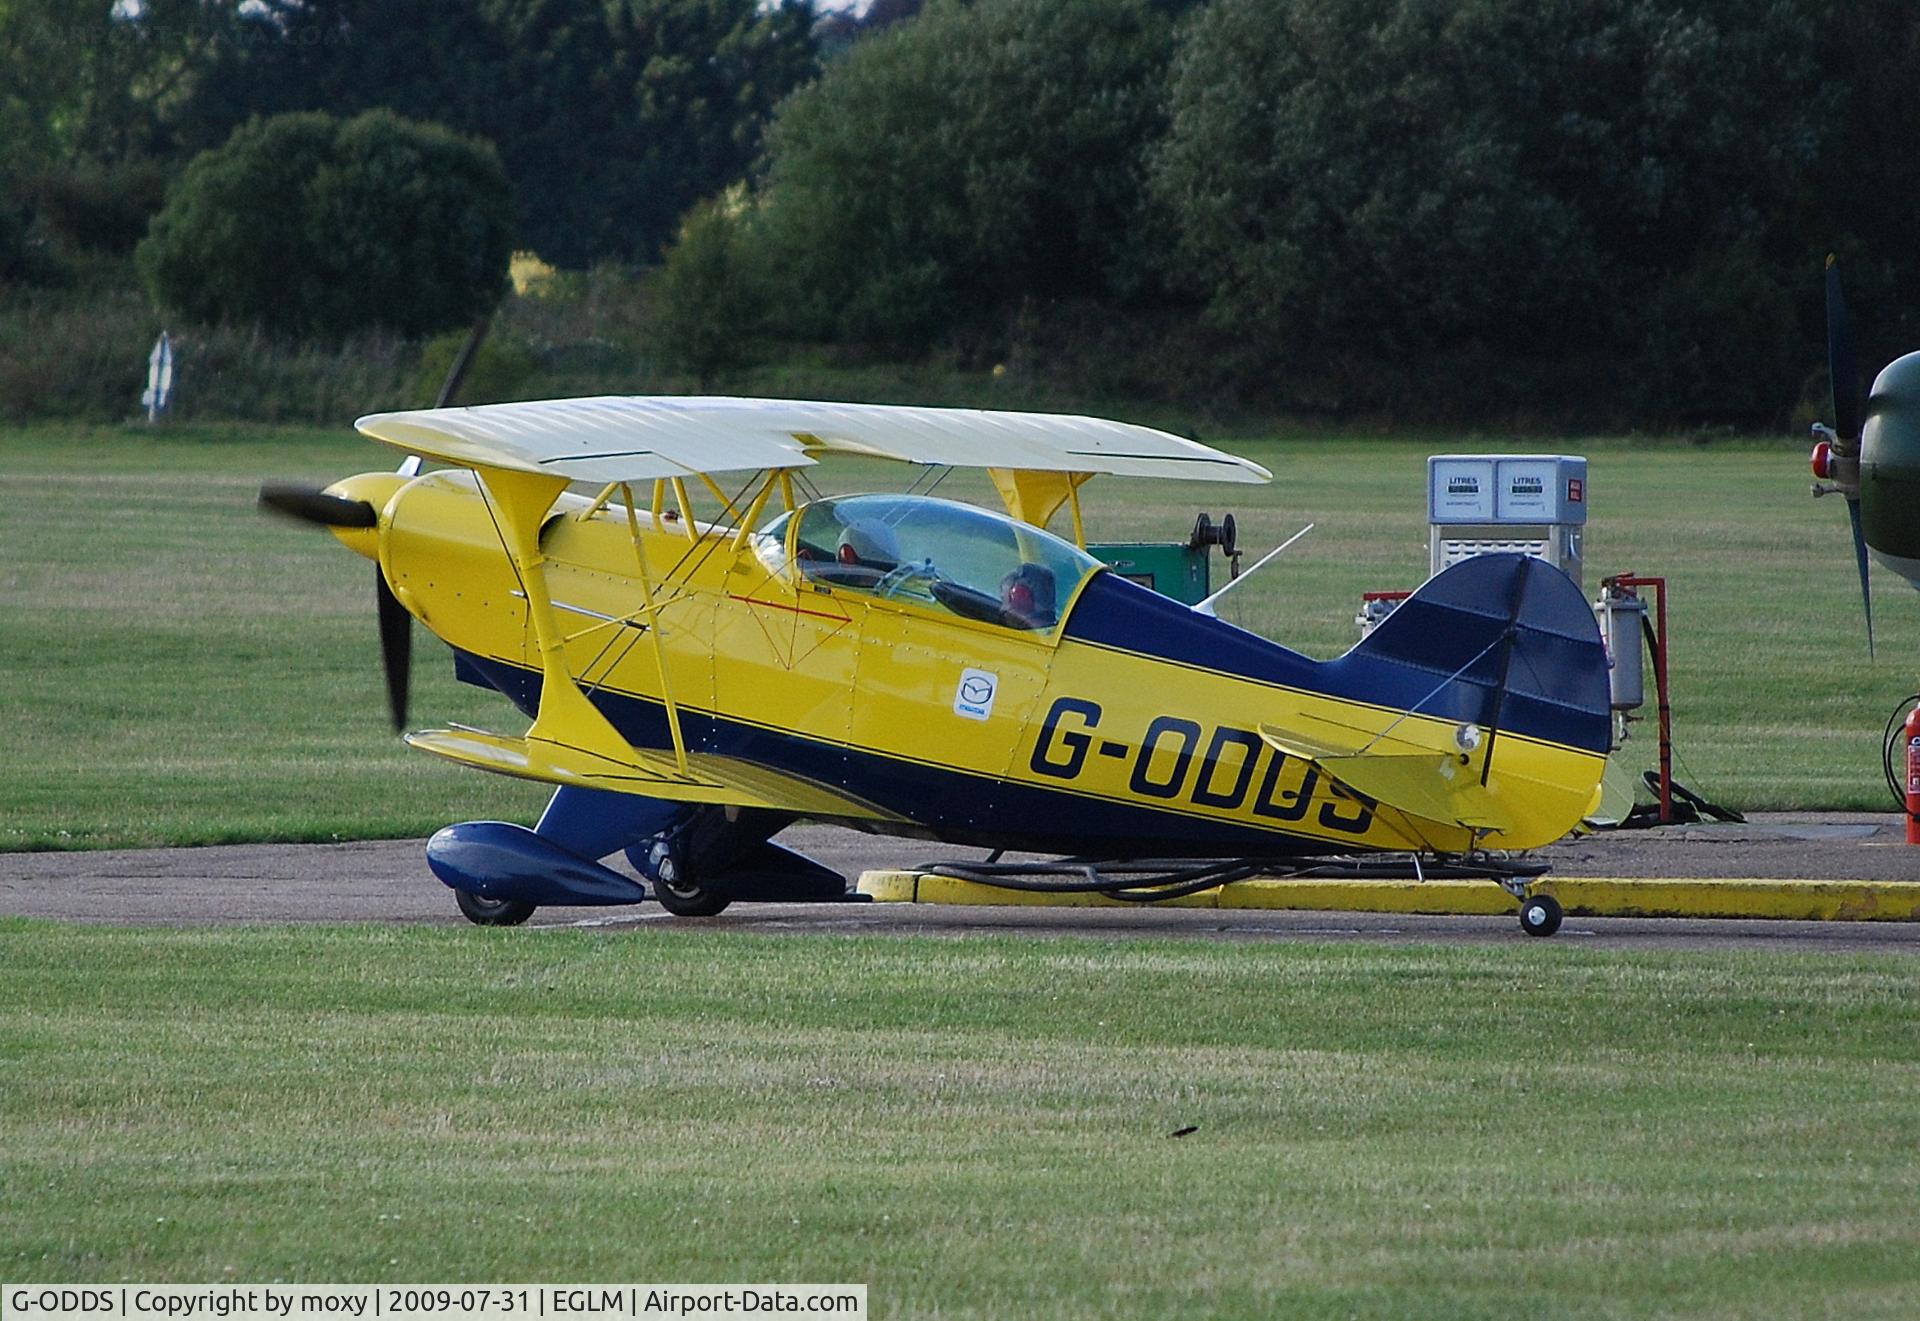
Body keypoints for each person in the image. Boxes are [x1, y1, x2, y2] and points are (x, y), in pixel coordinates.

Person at [999, 562, 1057, 628]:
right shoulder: (1053, 628)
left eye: (1004, 600)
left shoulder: (1027, 632)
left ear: (1021, 599)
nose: (1002, 609)